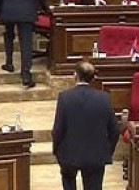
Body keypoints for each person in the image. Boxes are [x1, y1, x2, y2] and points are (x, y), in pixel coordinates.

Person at [52, 61, 121, 190]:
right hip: (96, 155)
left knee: (68, 182)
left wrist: (57, 151)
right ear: (93, 78)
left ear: (75, 75)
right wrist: (106, 150)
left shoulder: (65, 97)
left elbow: (58, 130)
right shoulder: (104, 98)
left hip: (69, 154)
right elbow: (115, 130)